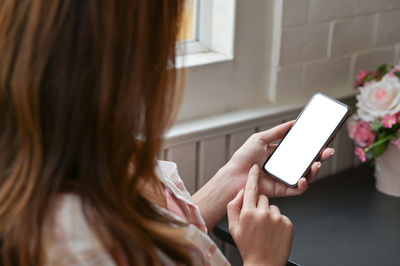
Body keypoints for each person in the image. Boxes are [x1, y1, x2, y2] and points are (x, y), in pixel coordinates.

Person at [0, 1, 333, 265]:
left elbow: (157, 240)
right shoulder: (72, 241)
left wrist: (232, 178)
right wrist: (263, 260)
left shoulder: (99, 153)